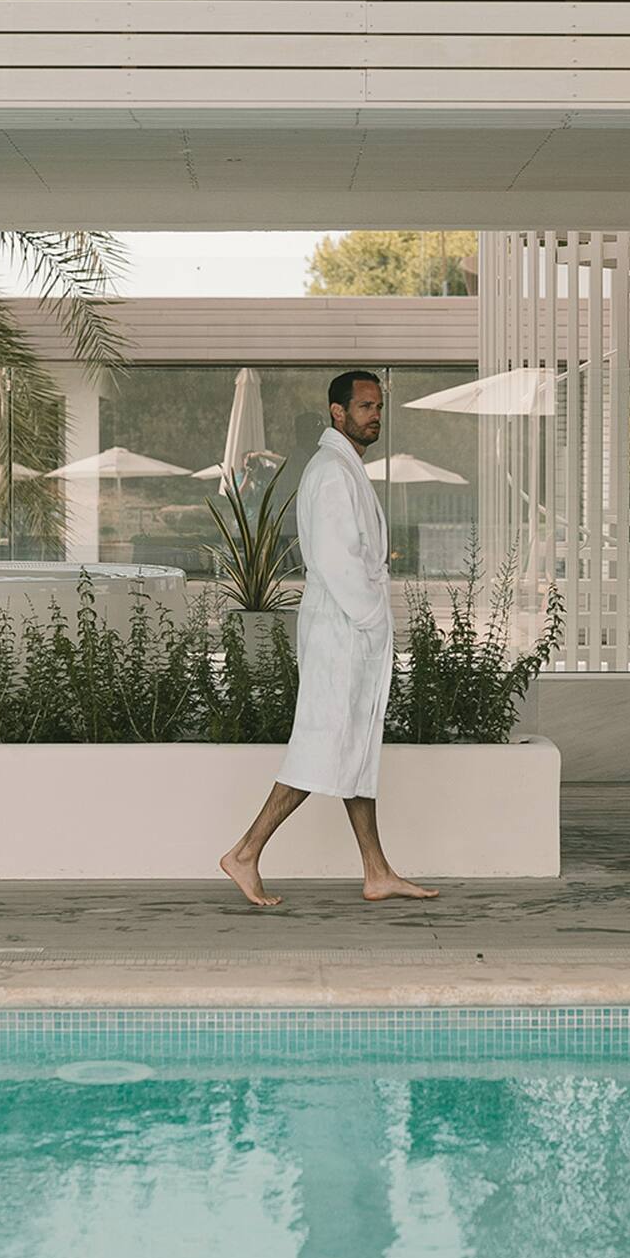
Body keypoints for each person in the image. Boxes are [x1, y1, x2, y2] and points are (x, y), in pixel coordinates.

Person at [219, 370, 439, 909]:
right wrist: (372, 619)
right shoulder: (332, 473)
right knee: (321, 748)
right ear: (337, 413)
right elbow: (340, 562)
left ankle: (376, 870)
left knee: (353, 750)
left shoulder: (344, 468)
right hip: (343, 630)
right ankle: (245, 852)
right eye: (365, 406)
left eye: (379, 406)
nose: (375, 415)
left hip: (348, 630)